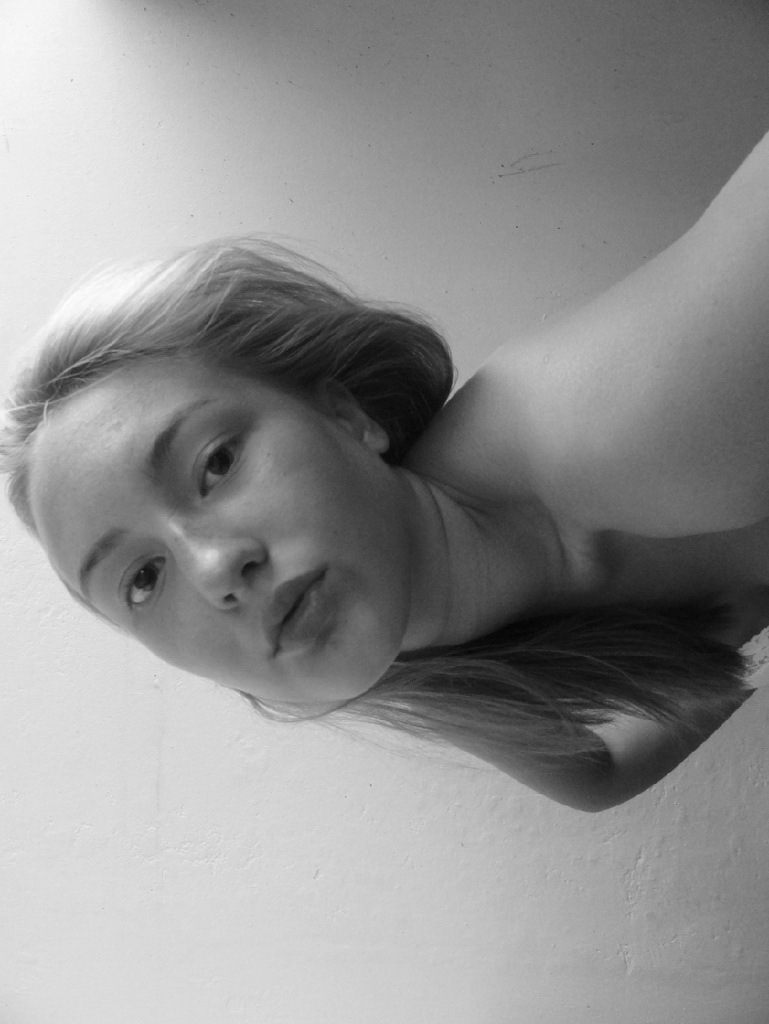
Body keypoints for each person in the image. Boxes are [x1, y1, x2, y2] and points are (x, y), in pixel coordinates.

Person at [4, 132, 769, 813]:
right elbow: (591, 780)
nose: (214, 569)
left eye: (216, 463)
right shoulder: (429, 651)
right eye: (142, 580)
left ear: (346, 414)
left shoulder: (615, 426)